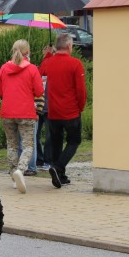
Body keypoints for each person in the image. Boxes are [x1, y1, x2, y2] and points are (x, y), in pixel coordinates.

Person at [0, 39, 44, 194]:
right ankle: (21, 170)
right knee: (28, 145)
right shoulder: (32, 69)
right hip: (26, 113)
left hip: (7, 112)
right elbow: (39, 91)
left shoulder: (4, 68)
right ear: (27, 52)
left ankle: (13, 177)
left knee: (12, 145)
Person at [40, 33, 87, 188]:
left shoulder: (48, 63)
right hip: (70, 111)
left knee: (56, 142)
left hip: (53, 111)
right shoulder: (75, 64)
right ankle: (58, 167)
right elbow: (81, 90)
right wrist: (81, 106)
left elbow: (40, 75)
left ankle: (60, 175)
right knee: (74, 141)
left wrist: (47, 55)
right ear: (68, 46)